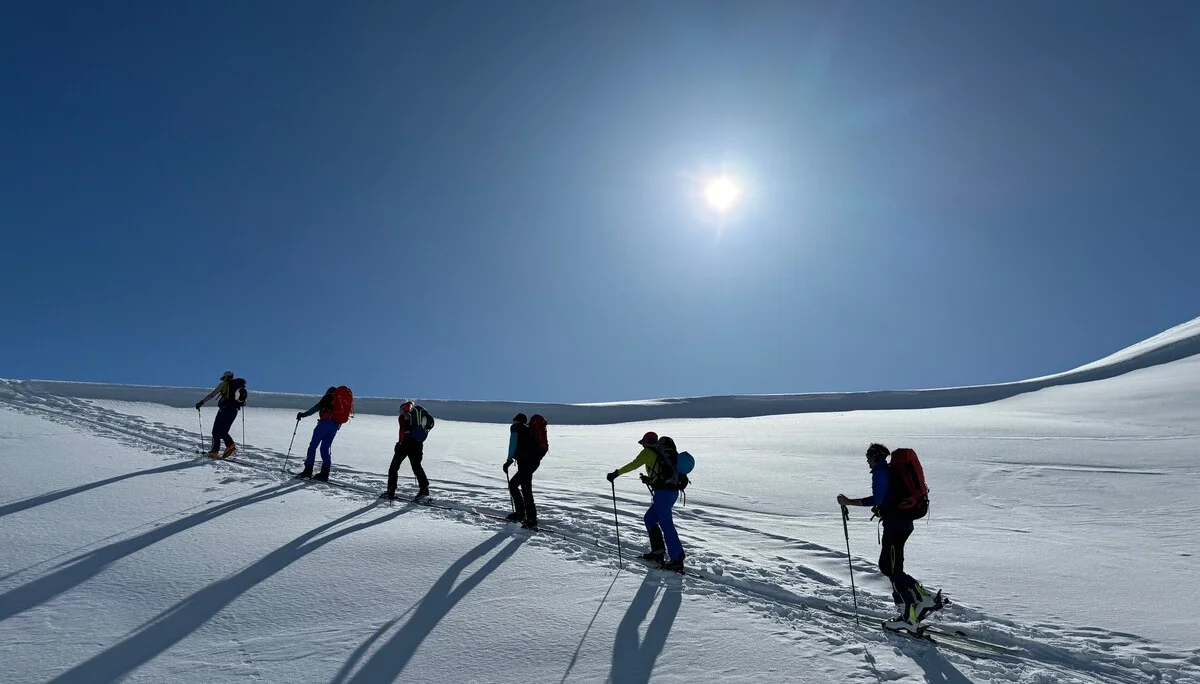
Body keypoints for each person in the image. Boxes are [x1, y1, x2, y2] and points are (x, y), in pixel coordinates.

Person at [837, 443, 941, 632]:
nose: (867, 459)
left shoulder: (881, 472)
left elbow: (878, 499)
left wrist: (849, 502)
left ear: (875, 456)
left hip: (895, 525)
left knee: (890, 567)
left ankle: (908, 616)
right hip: (902, 523)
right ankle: (922, 599)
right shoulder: (889, 472)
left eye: (868, 455)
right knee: (892, 567)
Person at [607, 432, 687, 572]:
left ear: (646, 442)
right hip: (671, 492)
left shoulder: (648, 453)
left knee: (666, 524)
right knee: (650, 518)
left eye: (643, 442)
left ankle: (676, 559)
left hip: (663, 493)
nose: (642, 445)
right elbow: (661, 474)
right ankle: (658, 551)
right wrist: (649, 480)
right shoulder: (660, 454)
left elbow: (633, 465)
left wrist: (616, 473)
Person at [381, 400, 433, 501]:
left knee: (393, 467)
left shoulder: (402, 417)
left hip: (405, 443)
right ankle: (424, 489)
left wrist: (399, 443)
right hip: (417, 444)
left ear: (402, 408)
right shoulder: (415, 417)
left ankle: (390, 491)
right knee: (417, 467)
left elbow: (402, 431)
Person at [195, 371, 246, 459]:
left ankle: (214, 451)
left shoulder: (225, 384)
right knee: (223, 431)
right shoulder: (237, 386)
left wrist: (201, 402)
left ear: (225, 377)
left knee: (216, 431)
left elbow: (212, 394)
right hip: (234, 411)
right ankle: (230, 445)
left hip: (225, 409)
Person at [504, 413, 541, 529]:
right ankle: (525, 516)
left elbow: (513, 444)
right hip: (532, 462)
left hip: (526, 463)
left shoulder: (516, 428)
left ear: (516, 420)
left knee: (516, 486)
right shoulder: (528, 430)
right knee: (524, 488)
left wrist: (509, 461)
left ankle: (528, 518)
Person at [295, 387, 339, 481]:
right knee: (325, 449)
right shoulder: (339, 403)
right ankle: (325, 473)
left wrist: (303, 414)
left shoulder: (328, 397)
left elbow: (316, 408)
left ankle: (308, 471)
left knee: (313, 446)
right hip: (334, 426)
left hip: (324, 424)